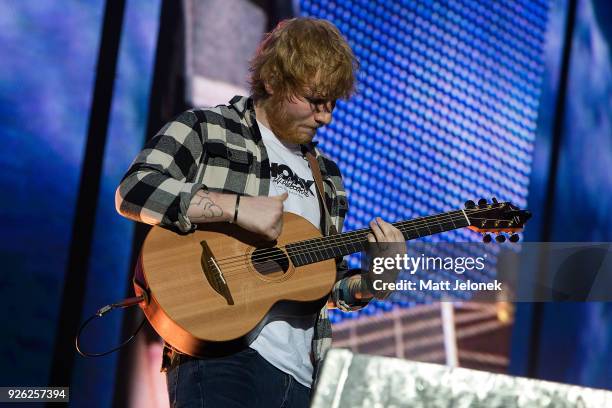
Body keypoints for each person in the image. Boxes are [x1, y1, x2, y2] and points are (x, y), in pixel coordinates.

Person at [115, 17, 403, 408]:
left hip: (300, 377)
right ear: (273, 81)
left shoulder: (328, 178)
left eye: (332, 103)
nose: (326, 117)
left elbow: (326, 285)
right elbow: (135, 189)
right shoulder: (207, 129)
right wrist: (235, 208)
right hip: (219, 354)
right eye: (315, 99)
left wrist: (379, 278)